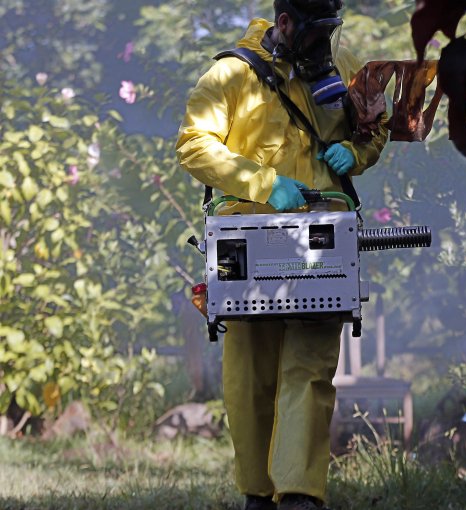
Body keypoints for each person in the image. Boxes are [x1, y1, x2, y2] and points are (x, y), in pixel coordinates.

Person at [174, 1, 387, 509]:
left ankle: (298, 494)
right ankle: (257, 492)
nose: (324, 47)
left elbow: (376, 125)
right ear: (287, 23)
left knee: (309, 370)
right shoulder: (230, 74)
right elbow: (193, 144)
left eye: (329, 35)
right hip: (246, 243)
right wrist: (262, 182)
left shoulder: (344, 65)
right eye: (315, 36)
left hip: (322, 246)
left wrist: (356, 153)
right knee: (250, 378)